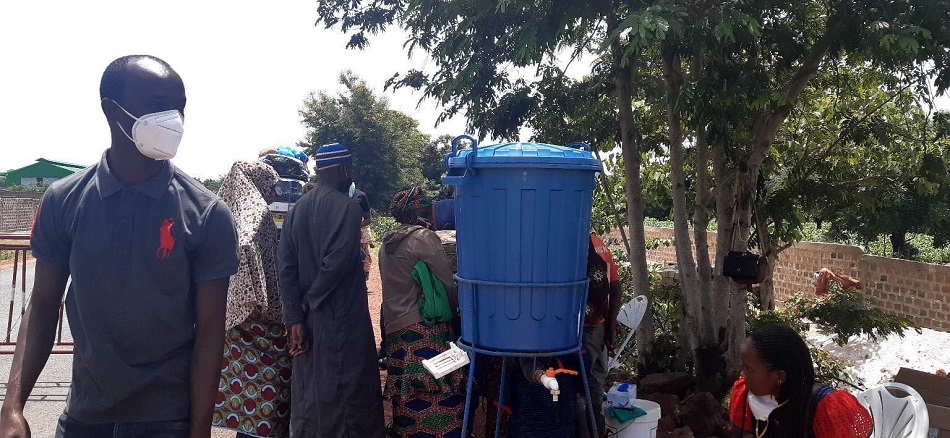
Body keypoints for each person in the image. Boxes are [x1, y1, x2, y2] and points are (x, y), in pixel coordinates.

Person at [0, 55, 239, 437]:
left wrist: (199, 432)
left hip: (167, 422)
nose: (173, 118)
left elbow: (210, 332)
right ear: (113, 111)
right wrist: (12, 408)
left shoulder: (207, 214)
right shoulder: (64, 201)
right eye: (158, 104)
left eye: (179, 106)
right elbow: (44, 303)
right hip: (83, 419)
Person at [278, 143, 385, 437]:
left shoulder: (296, 209)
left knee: (312, 389)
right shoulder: (349, 208)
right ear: (342, 170)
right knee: (349, 390)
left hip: (307, 318)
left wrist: (294, 316)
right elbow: (335, 265)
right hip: (340, 315)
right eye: (350, 170)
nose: (351, 177)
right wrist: (308, 303)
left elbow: (285, 266)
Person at [378, 185, 464, 438]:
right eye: (427, 208)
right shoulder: (422, 238)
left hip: (395, 327)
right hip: (424, 325)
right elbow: (446, 280)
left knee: (407, 388)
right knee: (438, 384)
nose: (430, 212)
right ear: (417, 211)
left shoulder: (387, 242)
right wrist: (456, 310)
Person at [213, 161, 292, 437]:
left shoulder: (225, 213)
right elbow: (248, 262)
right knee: (271, 389)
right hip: (257, 323)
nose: (274, 194)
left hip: (232, 323)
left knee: (246, 395)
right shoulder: (255, 218)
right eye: (271, 187)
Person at [730, 324, 873, 438]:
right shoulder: (748, 396)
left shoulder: (828, 409)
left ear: (780, 377)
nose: (742, 374)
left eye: (748, 369)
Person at [582, 232, 622, 438]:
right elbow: (615, 286)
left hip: (585, 327)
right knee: (596, 378)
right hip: (600, 324)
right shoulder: (600, 244)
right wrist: (611, 324)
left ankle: (586, 429)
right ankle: (594, 427)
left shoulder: (577, 246)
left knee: (581, 380)